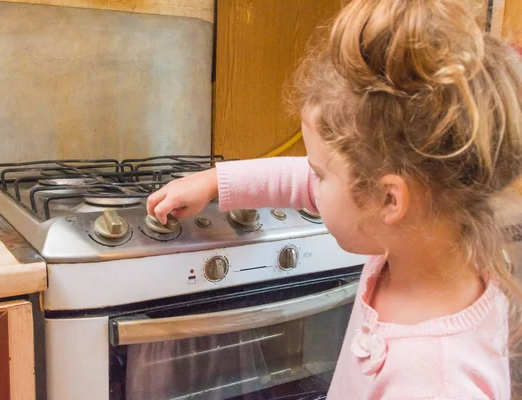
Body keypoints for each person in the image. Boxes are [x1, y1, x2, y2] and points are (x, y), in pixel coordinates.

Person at [147, 0, 522, 398]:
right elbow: (299, 181)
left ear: (389, 201)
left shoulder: (436, 382)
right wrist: (214, 182)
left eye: (322, 174)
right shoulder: (425, 239)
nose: (312, 183)